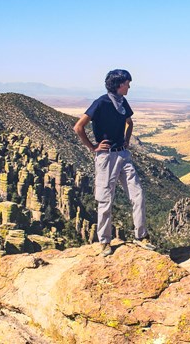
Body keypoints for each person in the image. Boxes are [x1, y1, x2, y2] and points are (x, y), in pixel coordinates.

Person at [73, 69, 155, 256]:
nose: (129, 86)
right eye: (127, 83)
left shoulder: (123, 102)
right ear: (119, 84)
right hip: (106, 157)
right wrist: (93, 147)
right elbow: (78, 127)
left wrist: (126, 141)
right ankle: (104, 242)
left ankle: (141, 236)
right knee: (105, 200)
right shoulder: (101, 102)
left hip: (123, 155)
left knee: (138, 194)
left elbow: (129, 123)